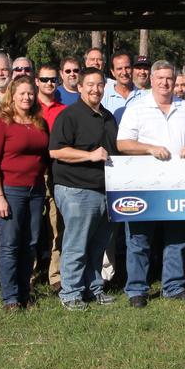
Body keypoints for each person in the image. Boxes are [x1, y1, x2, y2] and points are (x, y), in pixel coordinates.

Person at [117, 61, 185, 306]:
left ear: (176, 81)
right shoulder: (137, 108)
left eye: (169, 78)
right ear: (151, 80)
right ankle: (137, 290)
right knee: (139, 239)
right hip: (143, 186)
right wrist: (149, 148)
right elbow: (123, 144)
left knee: (178, 238)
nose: (165, 83)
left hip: (178, 185)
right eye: (160, 78)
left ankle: (173, 287)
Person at [50, 68, 119, 310]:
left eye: (100, 85)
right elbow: (56, 151)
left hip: (104, 190)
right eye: (90, 84)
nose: (95, 89)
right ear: (79, 87)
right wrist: (89, 155)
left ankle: (93, 288)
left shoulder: (108, 117)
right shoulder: (69, 115)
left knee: (97, 245)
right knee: (76, 244)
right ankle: (70, 293)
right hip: (76, 189)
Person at [0, 75, 50, 310]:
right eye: (22, 93)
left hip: (35, 191)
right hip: (10, 191)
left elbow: (44, 156)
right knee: (10, 244)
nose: (27, 97)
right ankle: (10, 297)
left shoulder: (39, 122)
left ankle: (25, 292)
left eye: (30, 93)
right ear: (12, 95)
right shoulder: (2, 123)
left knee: (31, 243)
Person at [35, 63, 66, 291]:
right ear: (37, 81)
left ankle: (55, 275)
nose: (49, 83)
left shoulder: (64, 110)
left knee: (57, 226)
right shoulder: (26, 106)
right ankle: (30, 273)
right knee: (32, 227)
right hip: (32, 172)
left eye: (53, 79)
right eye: (44, 79)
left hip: (56, 172)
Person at [102, 51, 140, 121]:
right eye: (119, 69)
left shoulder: (144, 96)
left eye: (127, 67)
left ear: (132, 69)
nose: (124, 72)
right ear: (113, 72)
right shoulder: (103, 97)